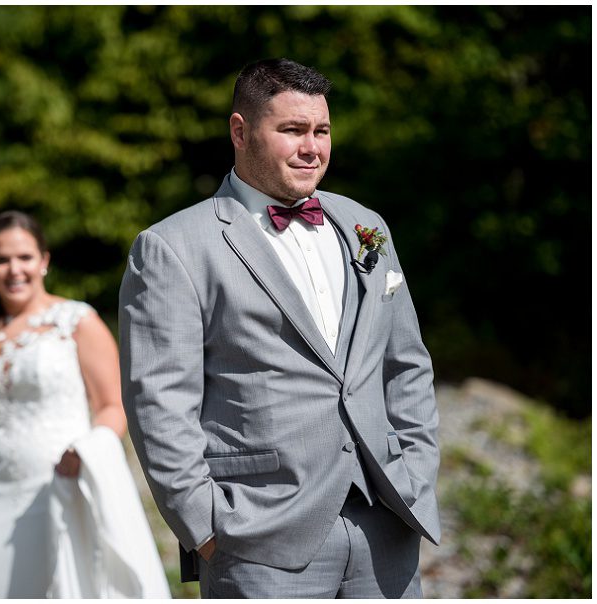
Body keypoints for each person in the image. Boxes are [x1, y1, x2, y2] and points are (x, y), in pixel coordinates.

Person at [119, 58, 440, 598]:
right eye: (292, 130)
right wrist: (205, 529)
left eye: (321, 131)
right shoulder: (172, 248)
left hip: (385, 524)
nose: (312, 147)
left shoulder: (366, 226)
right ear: (240, 131)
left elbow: (405, 363)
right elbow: (159, 403)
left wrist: (417, 472)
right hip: (256, 541)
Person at [0, 210, 169, 598]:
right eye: (1, 259)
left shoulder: (77, 321)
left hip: (62, 492)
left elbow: (114, 406)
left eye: (25, 257)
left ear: (43, 261)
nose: (14, 269)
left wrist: (86, 449)